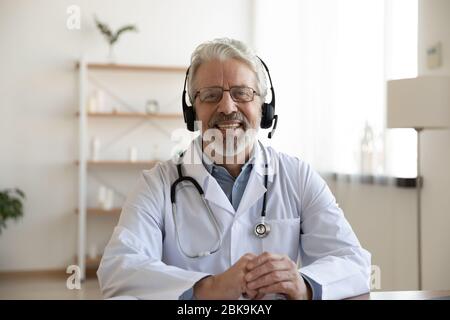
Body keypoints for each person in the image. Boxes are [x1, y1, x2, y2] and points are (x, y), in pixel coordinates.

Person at [97, 38, 371, 300]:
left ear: (264, 107)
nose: (227, 107)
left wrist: (304, 285)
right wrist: (208, 288)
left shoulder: (297, 177)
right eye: (211, 95)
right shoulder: (157, 184)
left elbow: (354, 262)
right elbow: (118, 268)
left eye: (242, 93)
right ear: (192, 112)